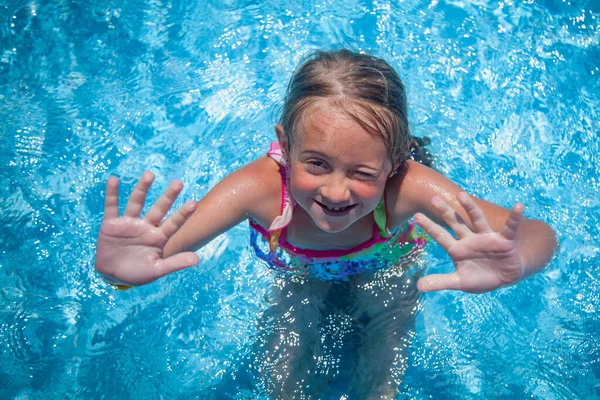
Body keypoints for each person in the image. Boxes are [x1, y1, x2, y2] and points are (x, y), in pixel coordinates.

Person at [95, 49, 557, 398]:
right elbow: (156, 252)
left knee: (381, 375)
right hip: (300, 273)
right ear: (285, 146)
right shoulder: (257, 188)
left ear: (395, 163)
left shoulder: (408, 189)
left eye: (362, 173)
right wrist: (118, 273)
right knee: (282, 376)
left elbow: (541, 235)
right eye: (316, 164)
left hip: (387, 267)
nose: (336, 192)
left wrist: (514, 261)